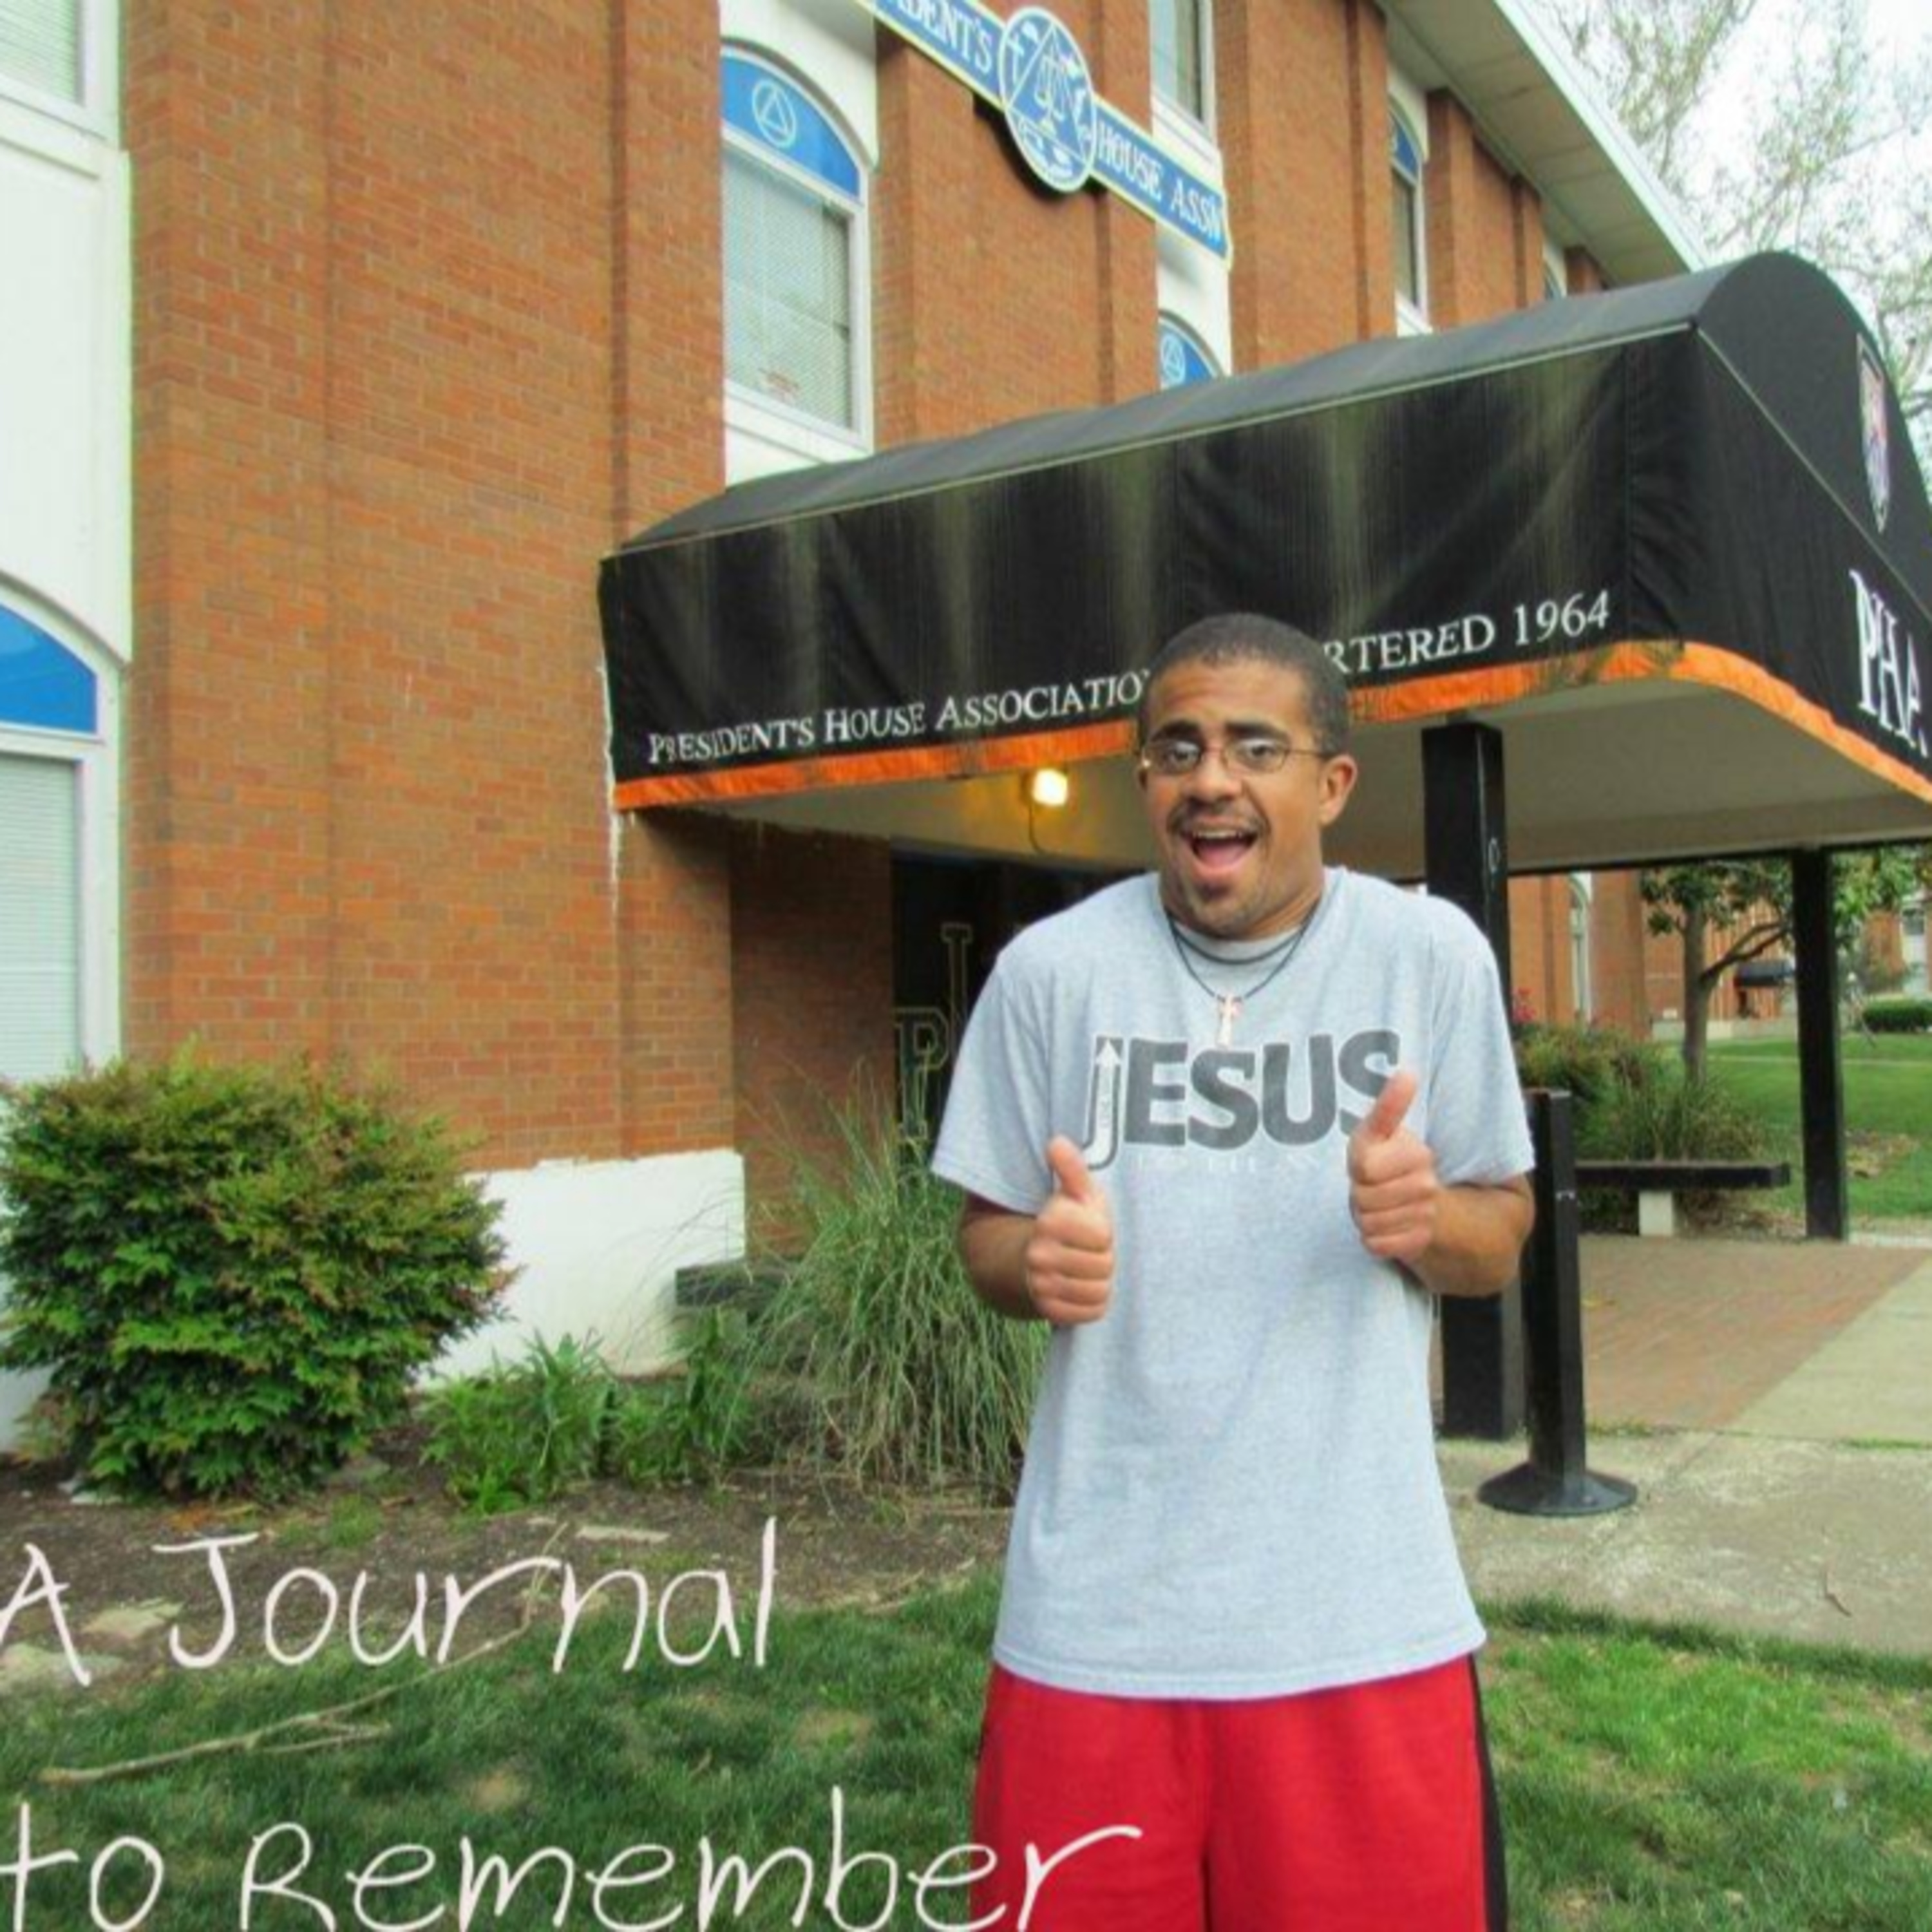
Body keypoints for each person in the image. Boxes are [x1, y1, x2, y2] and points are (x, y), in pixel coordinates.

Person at [929, 612, 1535, 1931]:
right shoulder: (1049, 975)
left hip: (1360, 1625)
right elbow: (984, 1236)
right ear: (1145, 778)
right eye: (1178, 749)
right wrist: (1034, 1261)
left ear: (1332, 782)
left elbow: (1501, 1233)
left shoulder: (1428, 957)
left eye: (1257, 747)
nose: (1213, 779)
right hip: (1092, 1633)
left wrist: (1424, 1216)